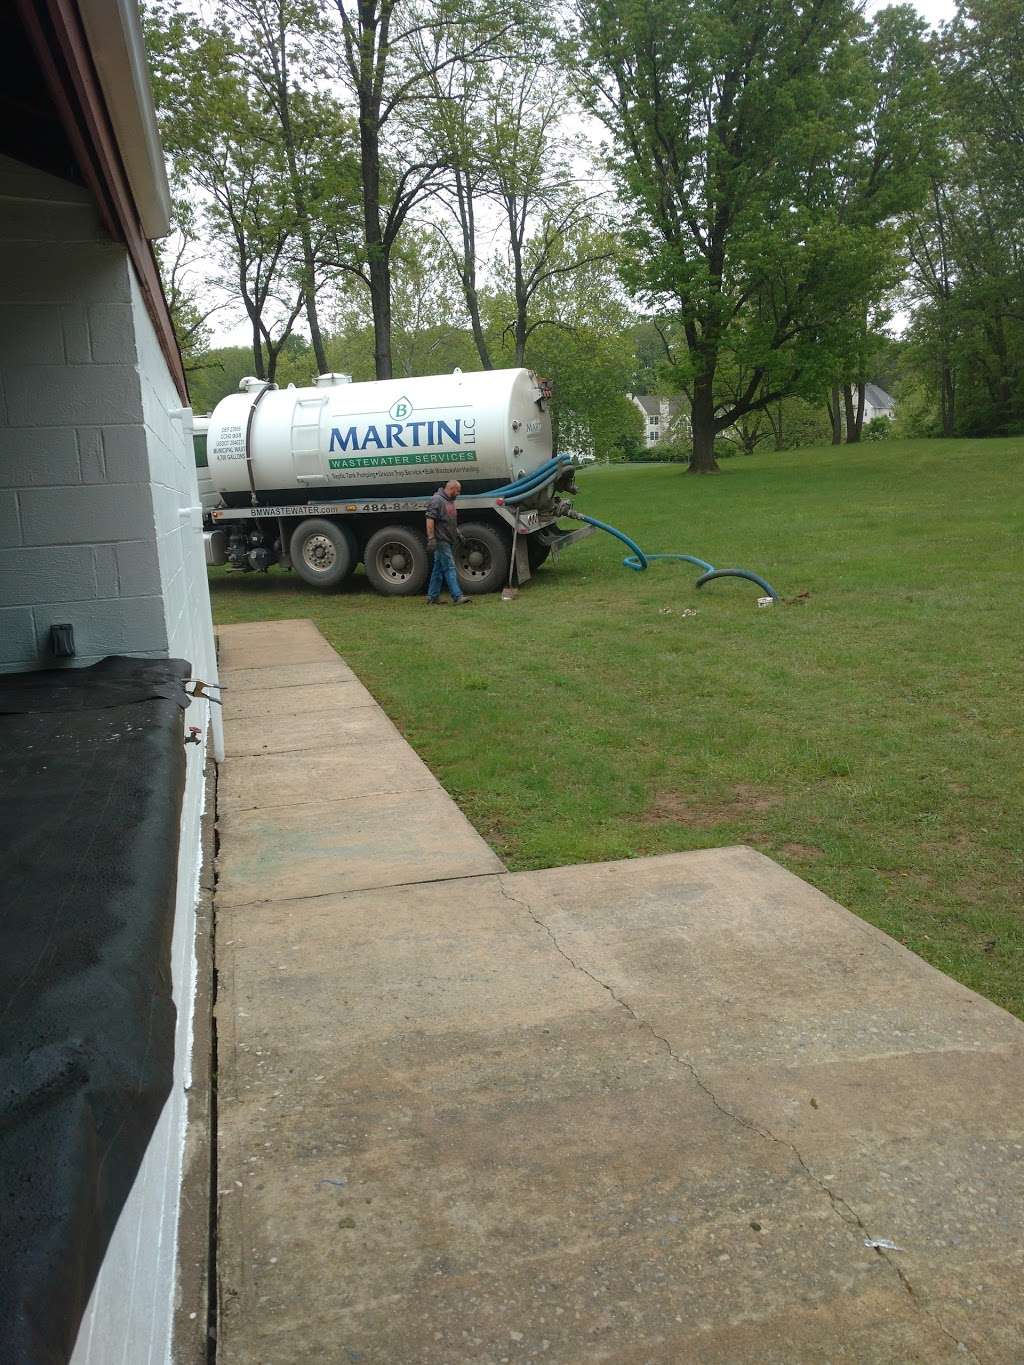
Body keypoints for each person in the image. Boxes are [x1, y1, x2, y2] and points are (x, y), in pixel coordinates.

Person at [425, 479, 473, 605]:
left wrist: (458, 534)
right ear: (451, 488)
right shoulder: (437, 500)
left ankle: (432, 597)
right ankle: (457, 596)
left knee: (438, 569)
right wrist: (431, 539)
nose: (459, 494)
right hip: (441, 540)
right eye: (458, 491)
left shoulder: (449, 501)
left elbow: (450, 521)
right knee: (450, 567)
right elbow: (430, 520)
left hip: (448, 540)